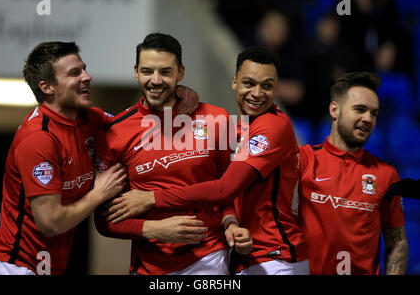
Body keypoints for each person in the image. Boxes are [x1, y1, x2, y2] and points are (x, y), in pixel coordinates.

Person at [108, 46, 310, 275]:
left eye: (267, 86)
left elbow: (224, 188)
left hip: (277, 257)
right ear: (234, 82)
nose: (257, 93)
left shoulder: (272, 126)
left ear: (277, 89)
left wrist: (152, 198)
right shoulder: (236, 128)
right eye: (248, 83)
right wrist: (230, 222)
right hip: (246, 255)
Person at [94, 32, 252, 275]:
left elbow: (229, 191)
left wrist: (230, 222)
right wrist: (154, 229)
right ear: (136, 71)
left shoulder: (218, 119)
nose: (155, 80)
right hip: (147, 266)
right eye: (147, 71)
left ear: (181, 73)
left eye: (165, 72)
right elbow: (104, 220)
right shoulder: (114, 132)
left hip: (208, 259)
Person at [0, 42, 127, 275]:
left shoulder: (89, 119)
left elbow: (139, 129)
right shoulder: (39, 139)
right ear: (47, 87)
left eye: (84, 69)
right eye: (74, 73)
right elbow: (50, 223)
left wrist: (179, 99)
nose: (87, 77)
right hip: (13, 267)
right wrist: (99, 193)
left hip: (47, 268)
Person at [297, 72, 408, 274]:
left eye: (374, 113)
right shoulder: (303, 160)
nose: (368, 119)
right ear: (334, 110)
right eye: (360, 109)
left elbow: (397, 241)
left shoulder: (386, 174)